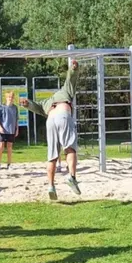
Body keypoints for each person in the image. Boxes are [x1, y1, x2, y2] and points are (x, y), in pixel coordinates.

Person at [21, 61, 81, 200]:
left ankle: (51, 186)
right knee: (70, 148)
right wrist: (74, 68)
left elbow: (35, 107)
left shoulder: (46, 102)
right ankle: (72, 177)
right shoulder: (65, 91)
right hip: (63, 115)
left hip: (50, 120)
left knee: (52, 155)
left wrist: (27, 103)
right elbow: (71, 79)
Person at [0, 90, 19, 170]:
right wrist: (0, 127)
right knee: (1, 147)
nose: (10, 98)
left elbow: (16, 120)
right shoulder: (2, 107)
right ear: (6, 98)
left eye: (12, 97)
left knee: (9, 147)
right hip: (3, 130)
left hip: (11, 130)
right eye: (9, 97)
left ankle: (9, 164)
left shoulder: (15, 108)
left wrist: (17, 129)